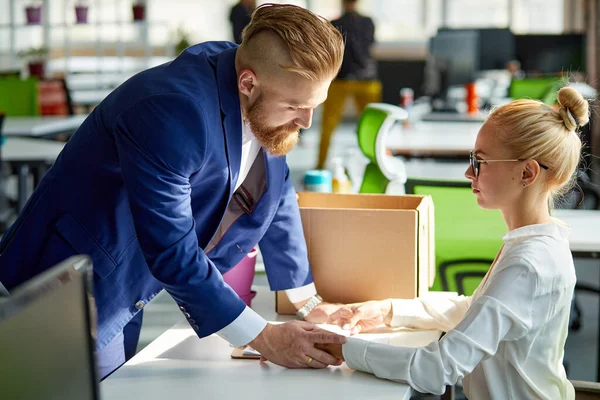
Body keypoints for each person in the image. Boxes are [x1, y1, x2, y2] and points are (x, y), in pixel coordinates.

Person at [0, 4, 349, 379]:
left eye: (315, 105)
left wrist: (305, 301)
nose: (307, 121)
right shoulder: (172, 111)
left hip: (130, 272)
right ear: (248, 83)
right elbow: (171, 249)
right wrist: (264, 337)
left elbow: (275, 188)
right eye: (296, 106)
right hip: (76, 281)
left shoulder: (251, 79)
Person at [317, 87, 588, 399]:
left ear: (526, 172)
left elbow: (437, 368)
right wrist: (387, 310)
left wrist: (342, 348)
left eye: (480, 161)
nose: (468, 172)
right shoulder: (536, 242)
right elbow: (473, 310)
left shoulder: (528, 264)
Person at [316, 0, 381, 170]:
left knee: (374, 126)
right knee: (328, 125)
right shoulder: (338, 24)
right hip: (346, 79)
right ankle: (320, 165)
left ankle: (378, 163)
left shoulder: (361, 23)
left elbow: (364, 49)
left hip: (363, 80)